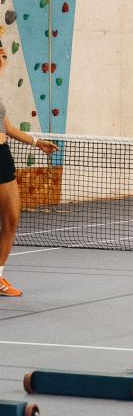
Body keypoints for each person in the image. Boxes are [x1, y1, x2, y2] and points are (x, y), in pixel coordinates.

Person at [0, 47, 58, 296]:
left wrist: (36, 142)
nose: (5, 58)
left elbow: (8, 127)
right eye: (1, 54)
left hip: (3, 158)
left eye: (5, 55)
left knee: (12, 219)